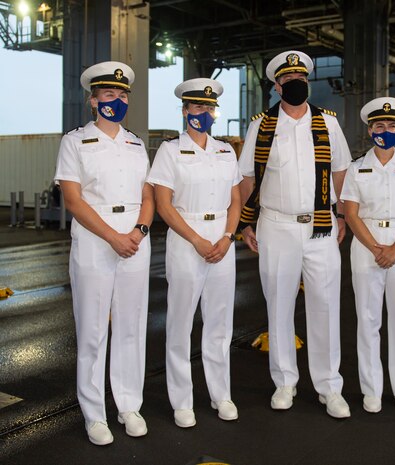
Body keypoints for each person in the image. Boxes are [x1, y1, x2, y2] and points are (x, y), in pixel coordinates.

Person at [238, 50, 352, 418]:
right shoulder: (261, 126)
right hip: (277, 225)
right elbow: (247, 178)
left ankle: (329, 386)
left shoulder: (328, 123)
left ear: (308, 81)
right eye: (288, 81)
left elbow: (340, 171)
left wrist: (340, 215)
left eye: (301, 79)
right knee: (279, 305)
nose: (296, 85)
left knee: (325, 305)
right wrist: (245, 222)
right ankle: (285, 382)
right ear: (277, 86)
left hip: (321, 225)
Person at [54, 61, 153, 445]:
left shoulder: (135, 143)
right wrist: (114, 236)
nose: (117, 100)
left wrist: (140, 231)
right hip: (97, 241)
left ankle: (129, 404)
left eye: (122, 94)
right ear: (93, 101)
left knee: (131, 327)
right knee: (93, 330)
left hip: (134, 240)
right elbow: (74, 200)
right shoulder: (74, 141)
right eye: (109, 94)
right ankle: (94, 414)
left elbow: (148, 194)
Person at [147, 78, 242, 428]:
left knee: (220, 324)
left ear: (215, 112)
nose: (203, 113)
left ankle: (221, 395)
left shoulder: (225, 150)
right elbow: (163, 204)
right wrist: (197, 240)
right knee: (181, 322)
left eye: (209, 107)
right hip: (187, 239)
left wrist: (228, 236)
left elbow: (236, 200)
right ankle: (182, 401)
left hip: (222, 239)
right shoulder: (170, 151)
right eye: (196, 107)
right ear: (185, 111)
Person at [340, 97, 395, 414]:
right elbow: (350, 212)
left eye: (391, 125)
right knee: (368, 320)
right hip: (367, 245)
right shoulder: (356, 168)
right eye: (379, 125)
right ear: (370, 130)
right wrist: (376, 246)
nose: (385, 130)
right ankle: (372, 389)